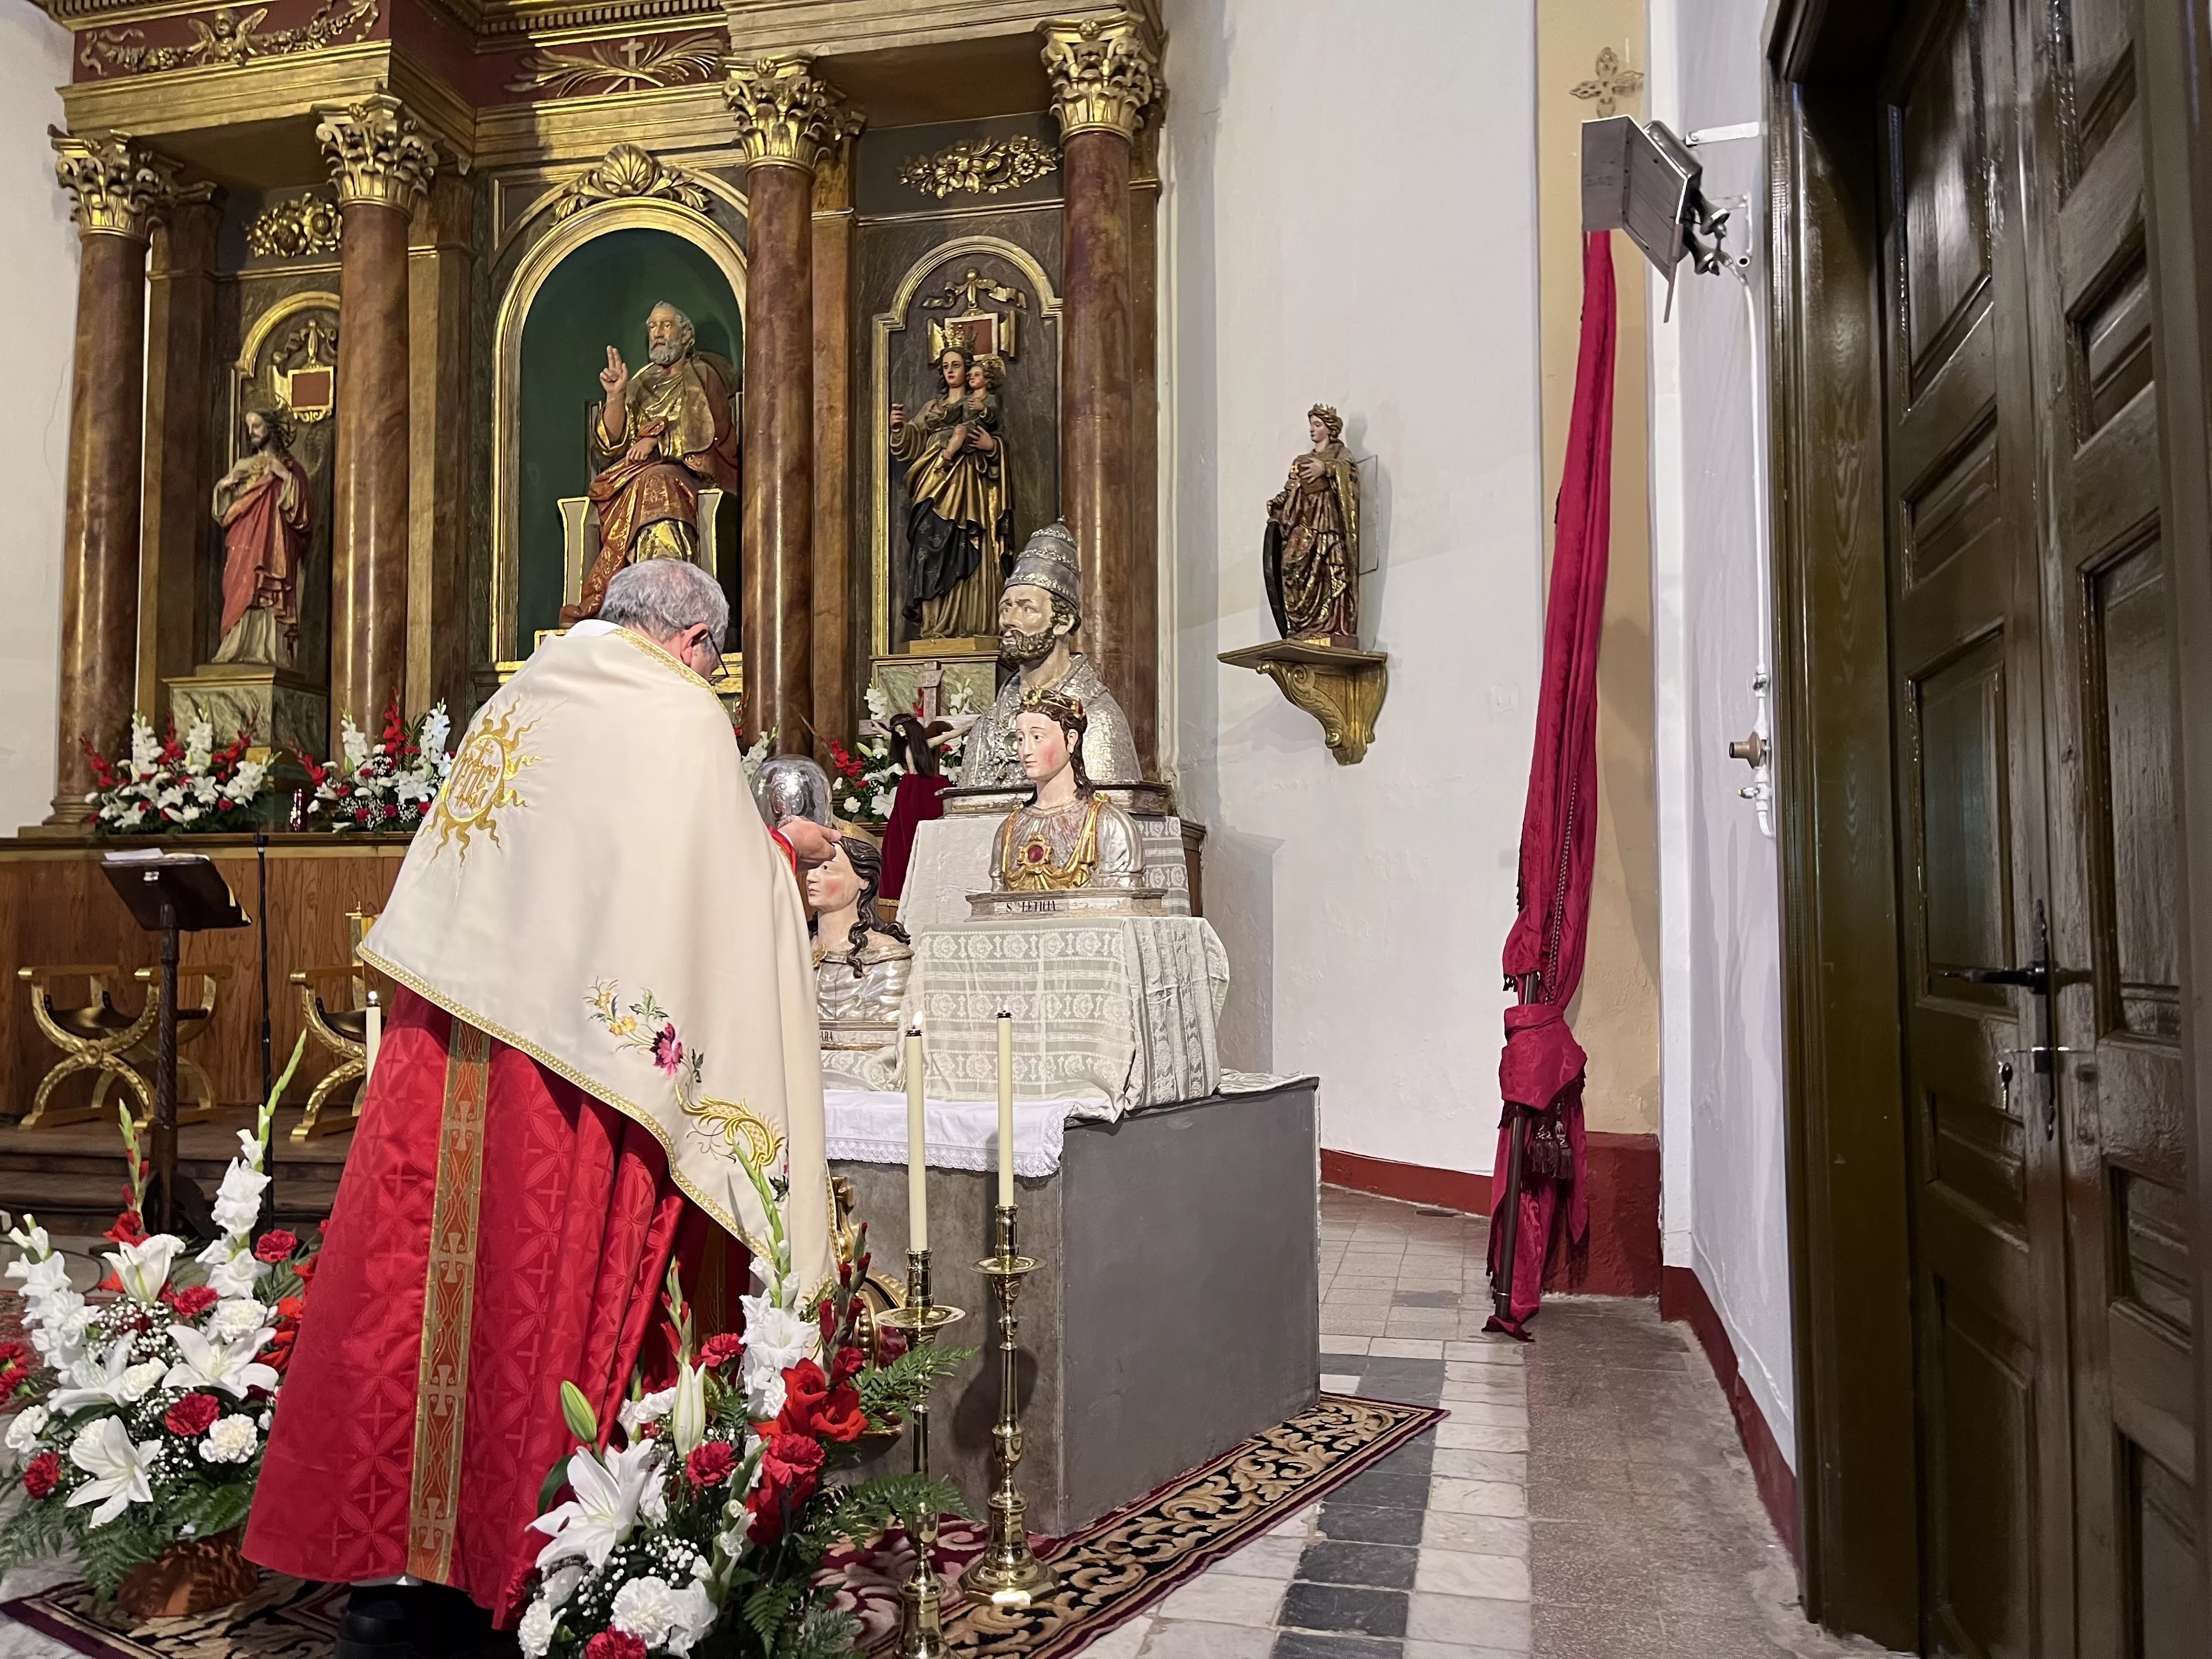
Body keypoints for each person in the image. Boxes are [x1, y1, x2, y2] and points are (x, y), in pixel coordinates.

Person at [246, 559, 840, 1656]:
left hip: (458, 1054)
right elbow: (716, 890)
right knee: (547, 1308)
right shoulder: (675, 711)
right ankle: (543, 1565)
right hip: (578, 1086)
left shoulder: (523, 692)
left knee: (427, 1304)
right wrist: (788, 860)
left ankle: (412, 1559)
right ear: (696, 641)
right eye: (716, 657)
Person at [566, 302, 739, 624]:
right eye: (653, 327)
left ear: (687, 336)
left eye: (666, 326)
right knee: (638, 484)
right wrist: (616, 397)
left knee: (658, 482)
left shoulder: (702, 376)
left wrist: (658, 441)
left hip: (686, 472)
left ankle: (667, 601)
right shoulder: (641, 383)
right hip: (633, 476)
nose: (658, 334)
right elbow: (612, 444)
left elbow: (711, 430)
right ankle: (629, 603)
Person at [958, 521, 1142, 788]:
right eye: (1005, 608)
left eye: (1026, 608)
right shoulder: (987, 726)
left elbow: (1108, 817)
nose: (1008, 621)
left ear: (1063, 622)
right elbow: (966, 817)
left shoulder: (1096, 718)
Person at [889, 342, 1013, 640]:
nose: (950, 371)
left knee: (966, 540)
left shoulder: (978, 404)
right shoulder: (931, 409)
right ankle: (935, 624)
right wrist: (897, 428)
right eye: (945, 366)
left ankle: (968, 622)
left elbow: (997, 436)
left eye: (956, 365)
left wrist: (991, 447)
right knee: (928, 544)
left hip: (969, 483)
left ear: (968, 369)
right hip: (931, 480)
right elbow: (911, 440)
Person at [991, 685, 1144, 893]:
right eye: (1020, 739)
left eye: (1037, 737)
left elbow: (1122, 905)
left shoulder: (1108, 824)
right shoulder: (1009, 830)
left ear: (1071, 740)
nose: (1026, 751)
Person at [210, 407, 313, 667]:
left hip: (273, 545)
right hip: (244, 543)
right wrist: (224, 487)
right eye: (249, 427)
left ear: (271, 427)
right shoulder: (243, 466)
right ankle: (235, 648)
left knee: (267, 589)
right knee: (241, 584)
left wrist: (285, 477)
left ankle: (271, 651)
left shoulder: (290, 467)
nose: (252, 432)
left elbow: (303, 514)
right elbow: (226, 512)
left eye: (257, 426)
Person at [1262, 403, 1362, 644]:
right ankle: (1303, 625)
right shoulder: (1301, 461)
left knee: (1330, 566)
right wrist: (1277, 504)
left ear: (1330, 429)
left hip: (1328, 523)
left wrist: (1326, 469)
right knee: (1291, 565)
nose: (1312, 430)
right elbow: (1290, 489)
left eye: (1317, 425)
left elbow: (1351, 476)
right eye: (1311, 425)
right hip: (1304, 523)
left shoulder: (1340, 455)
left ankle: (1332, 626)